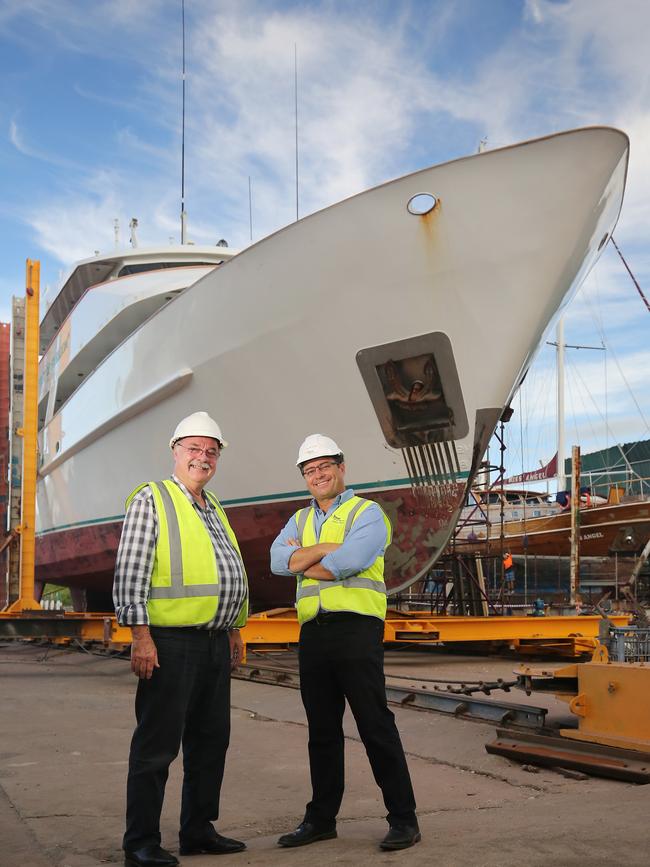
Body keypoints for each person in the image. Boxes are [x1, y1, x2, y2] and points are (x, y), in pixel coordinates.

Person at [270, 434, 420, 852]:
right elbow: (275, 561)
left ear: (341, 468)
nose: (318, 476)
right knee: (321, 730)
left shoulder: (367, 513)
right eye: (310, 471)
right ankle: (321, 820)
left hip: (356, 630)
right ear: (305, 477)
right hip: (313, 632)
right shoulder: (299, 520)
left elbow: (348, 562)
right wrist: (321, 552)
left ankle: (404, 819)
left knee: (374, 724)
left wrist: (305, 562)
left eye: (324, 467)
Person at [113, 411, 249, 867]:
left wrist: (233, 628)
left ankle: (197, 830)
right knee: (157, 745)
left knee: (212, 741)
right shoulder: (153, 499)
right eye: (194, 448)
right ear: (175, 451)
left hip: (213, 641)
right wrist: (140, 635)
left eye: (211, 451)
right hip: (169, 643)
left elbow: (224, 570)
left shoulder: (213, 507)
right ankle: (141, 843)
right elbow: (131, 570)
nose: (203, 457)